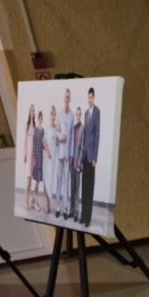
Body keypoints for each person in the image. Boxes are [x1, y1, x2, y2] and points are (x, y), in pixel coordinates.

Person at [80, 88, 100, 227]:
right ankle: (83, 215)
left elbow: (97, 134)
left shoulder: (97, 112)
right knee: (84, 186)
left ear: (94, 98)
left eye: (91, 97)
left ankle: (88, 218)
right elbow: (85, 135)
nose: (89, 99)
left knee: (90, 187)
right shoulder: (86, 113)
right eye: (88, 97)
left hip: (92, 156)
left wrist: (95, 158)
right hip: (85, 155)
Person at [55, 89, 74, 219]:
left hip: (67, 154)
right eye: (65, 97)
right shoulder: (60, 114)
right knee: (59, 179)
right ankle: (58, 208)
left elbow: (71, 136)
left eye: (68, 97)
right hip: (60, 153)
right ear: (63, 98)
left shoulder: (72, 115)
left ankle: (66, 209)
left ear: (70, 99)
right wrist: (60, 135)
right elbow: (56, 130)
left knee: (66, 181)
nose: (66, 99)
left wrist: (72, 155)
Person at [32, 110, 50, 214]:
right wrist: (34, 158)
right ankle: (34, 201)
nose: (40, 120)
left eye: (41, 118)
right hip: (37, 158)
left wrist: (47, 150)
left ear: (42, 119)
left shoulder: (43, 130)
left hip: (42, 158)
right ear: (37, 119)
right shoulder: (35, 130)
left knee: (39, 180)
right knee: (37, 182)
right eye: (39, 118)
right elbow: (34, 144)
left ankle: (34, 200)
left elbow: (44, 144)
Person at [43, 106, 59, 213]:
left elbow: (59, 142)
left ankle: (50, 204)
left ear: (55, 116)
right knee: (46, 179)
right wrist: (48, 151)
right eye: (51, 115)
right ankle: (47, 205)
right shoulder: (47, 129)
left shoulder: (56, 130)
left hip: (53, 160)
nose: (52, 117)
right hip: (47, 158)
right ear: (49, 116)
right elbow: (43, 142)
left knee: (51, 181)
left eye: (54, 115)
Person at [69, 106, 83, 221]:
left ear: (81, 115)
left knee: (77, 188)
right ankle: (71, 210)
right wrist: (70, 160)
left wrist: (78, 164)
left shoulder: (83, 129)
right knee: (72, 187)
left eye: (79, 114)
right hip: (71, 163)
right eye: (76, 114)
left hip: (77, 165)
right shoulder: (73, 128)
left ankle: (76, 212)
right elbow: (71, 145)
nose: (78, 116)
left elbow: (82, 148)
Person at [23, 104, 36, 209]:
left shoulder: (35, 126)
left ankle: (30, 202)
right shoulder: (27, 125)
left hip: (33, 156)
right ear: (29, 112)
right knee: (27, 181)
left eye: (33, 111)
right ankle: (25, 201)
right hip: (28, 155)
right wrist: (25, 154)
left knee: (31, 181)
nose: (32, 112)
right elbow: (25, 141)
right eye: (31, 110)